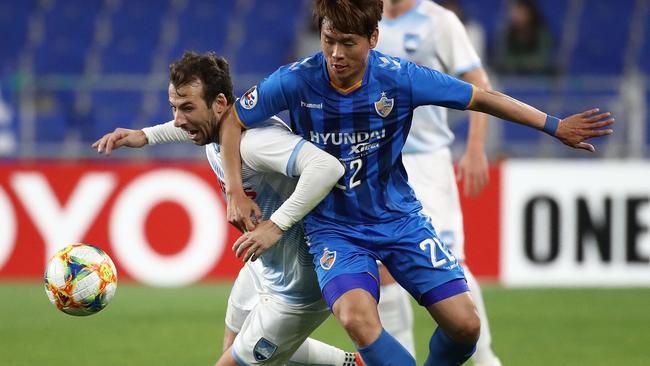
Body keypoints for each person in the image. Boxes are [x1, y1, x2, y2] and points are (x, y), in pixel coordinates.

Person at [219, 1, 613, 365]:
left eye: (348, 43)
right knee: (357, 319)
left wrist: (553, 125)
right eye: (328, 40)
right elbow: (234, 120)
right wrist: (235, 190)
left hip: (398, 220)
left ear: (373, 37)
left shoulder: (400, 78)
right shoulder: (296, 79)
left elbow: (482, 97)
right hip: (334, 230)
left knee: (465, 326)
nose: (336, 54)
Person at [92, 51, 364, 366]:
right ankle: (351, 363)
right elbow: (183, 125)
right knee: (233, 346)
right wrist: (143, 136)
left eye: (188, 108)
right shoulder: (214, 131)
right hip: (263, 267)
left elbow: (328, 168)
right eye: (174, 108)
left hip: (298, 284)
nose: (179, 119)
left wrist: (274, 226)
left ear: (220, 104)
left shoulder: (256, 142)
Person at [376, 1, 499, 364]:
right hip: (376, 161)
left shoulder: (439, 22)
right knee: (382, 269)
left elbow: (480, 85)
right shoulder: (365, 16)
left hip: (427, 160)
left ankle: (485, 357)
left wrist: (476, 148)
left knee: (450, 264)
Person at [494, 0, 555, 75]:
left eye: (520, 12)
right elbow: (505, 59)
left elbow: (542, 61)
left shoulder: (542, 33)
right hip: (513, 76)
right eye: (514, 12)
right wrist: (523, 63)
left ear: (529, 14)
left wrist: (520, 63)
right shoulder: (508, 33)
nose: (515, 15)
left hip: (538, 76)